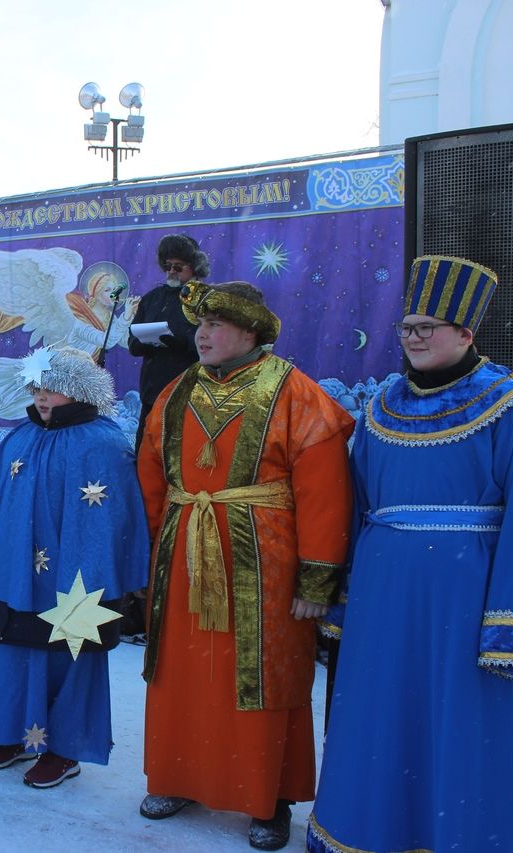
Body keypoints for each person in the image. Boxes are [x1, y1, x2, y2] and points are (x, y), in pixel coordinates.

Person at [307, 256, 513, 853]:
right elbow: (357, 505)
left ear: (466, 332)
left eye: (427, 327)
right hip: (383, 595)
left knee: (463, 724)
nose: (413, 337)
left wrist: (512, 621)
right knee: (382, 718)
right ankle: (372, 832)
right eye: (406, 327)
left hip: (466, 595)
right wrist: (344, 596)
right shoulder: (383, 403)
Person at [136, 282, 353, 851]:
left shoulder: (294, 392)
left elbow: (325, 490)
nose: (202, 335)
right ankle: (177, 776)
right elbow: (152, 472)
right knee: (181, 669)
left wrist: (316, 577)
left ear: (252, 332)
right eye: (200, 326)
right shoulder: (178, 390)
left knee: (263, 676)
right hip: (184, 553)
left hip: (266, 560)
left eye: (216, 326)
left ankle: (269, 798)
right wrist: (153, 550)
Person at [0, 347, 151, 788]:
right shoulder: (19, 437)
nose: (42, 397)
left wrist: (108, 581)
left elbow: (114, 519)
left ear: (78, 390)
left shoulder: (103, 444)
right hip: (15, 576)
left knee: (71, 660)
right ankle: (14, 735)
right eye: (37, 387)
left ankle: (64, 749)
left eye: (53, 388)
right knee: (12, 650)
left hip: (76, 583)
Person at [126, 234, 207, 446]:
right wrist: (144, 342)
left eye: (178, 267)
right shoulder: (152, 298)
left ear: (194, 268)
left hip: (188, 395)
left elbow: (212, 346)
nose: (171, 272)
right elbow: (132, 344)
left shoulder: (205, 299)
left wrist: (179, 342)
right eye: (168, 266)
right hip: (152, 394)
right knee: (146, 455)